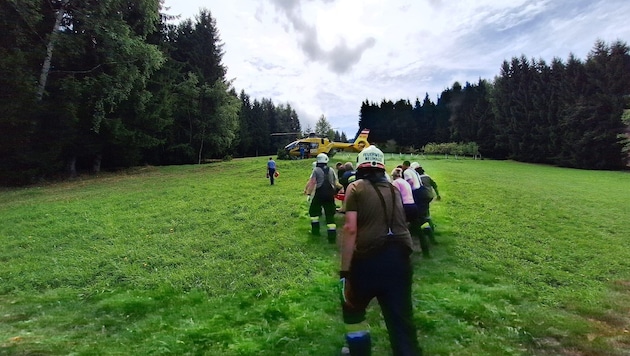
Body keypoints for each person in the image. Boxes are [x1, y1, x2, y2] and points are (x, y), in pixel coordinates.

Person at [339, 146, 422, 355]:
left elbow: (350, 229)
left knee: (353, 310)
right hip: (400, 260)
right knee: (401, 319)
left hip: (368, 261)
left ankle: (359, 349)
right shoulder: (395, 188)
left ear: (361, 165)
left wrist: (345, 270)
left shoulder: (355, 187)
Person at [391, 168, 430, 257]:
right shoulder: (405, 182)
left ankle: (403, 252)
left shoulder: (395, 183)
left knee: (400, 229)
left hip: (405, 207)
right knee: (417, 229)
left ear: (393, 176)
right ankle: (426, 251)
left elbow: (395, 196)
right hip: (413, 206)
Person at [304, 153, 342, 243]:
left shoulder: (316, 170)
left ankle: (315, 232)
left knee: (313, 212)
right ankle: (332, 238)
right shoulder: (331, 170)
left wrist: (309, 194)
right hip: (329, 194)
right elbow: (336, 183)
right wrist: (343, 188)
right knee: (330, 216)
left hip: (320, 194)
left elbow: (312, 182)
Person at [414, 165, 441, 232]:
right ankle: (429, 225)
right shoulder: (427, 177)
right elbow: (435, 186)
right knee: (426, 210)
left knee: (423, 212)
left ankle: (427, 227)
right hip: (430, 196)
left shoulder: (418, 178)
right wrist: (438, 195)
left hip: (423, 197)